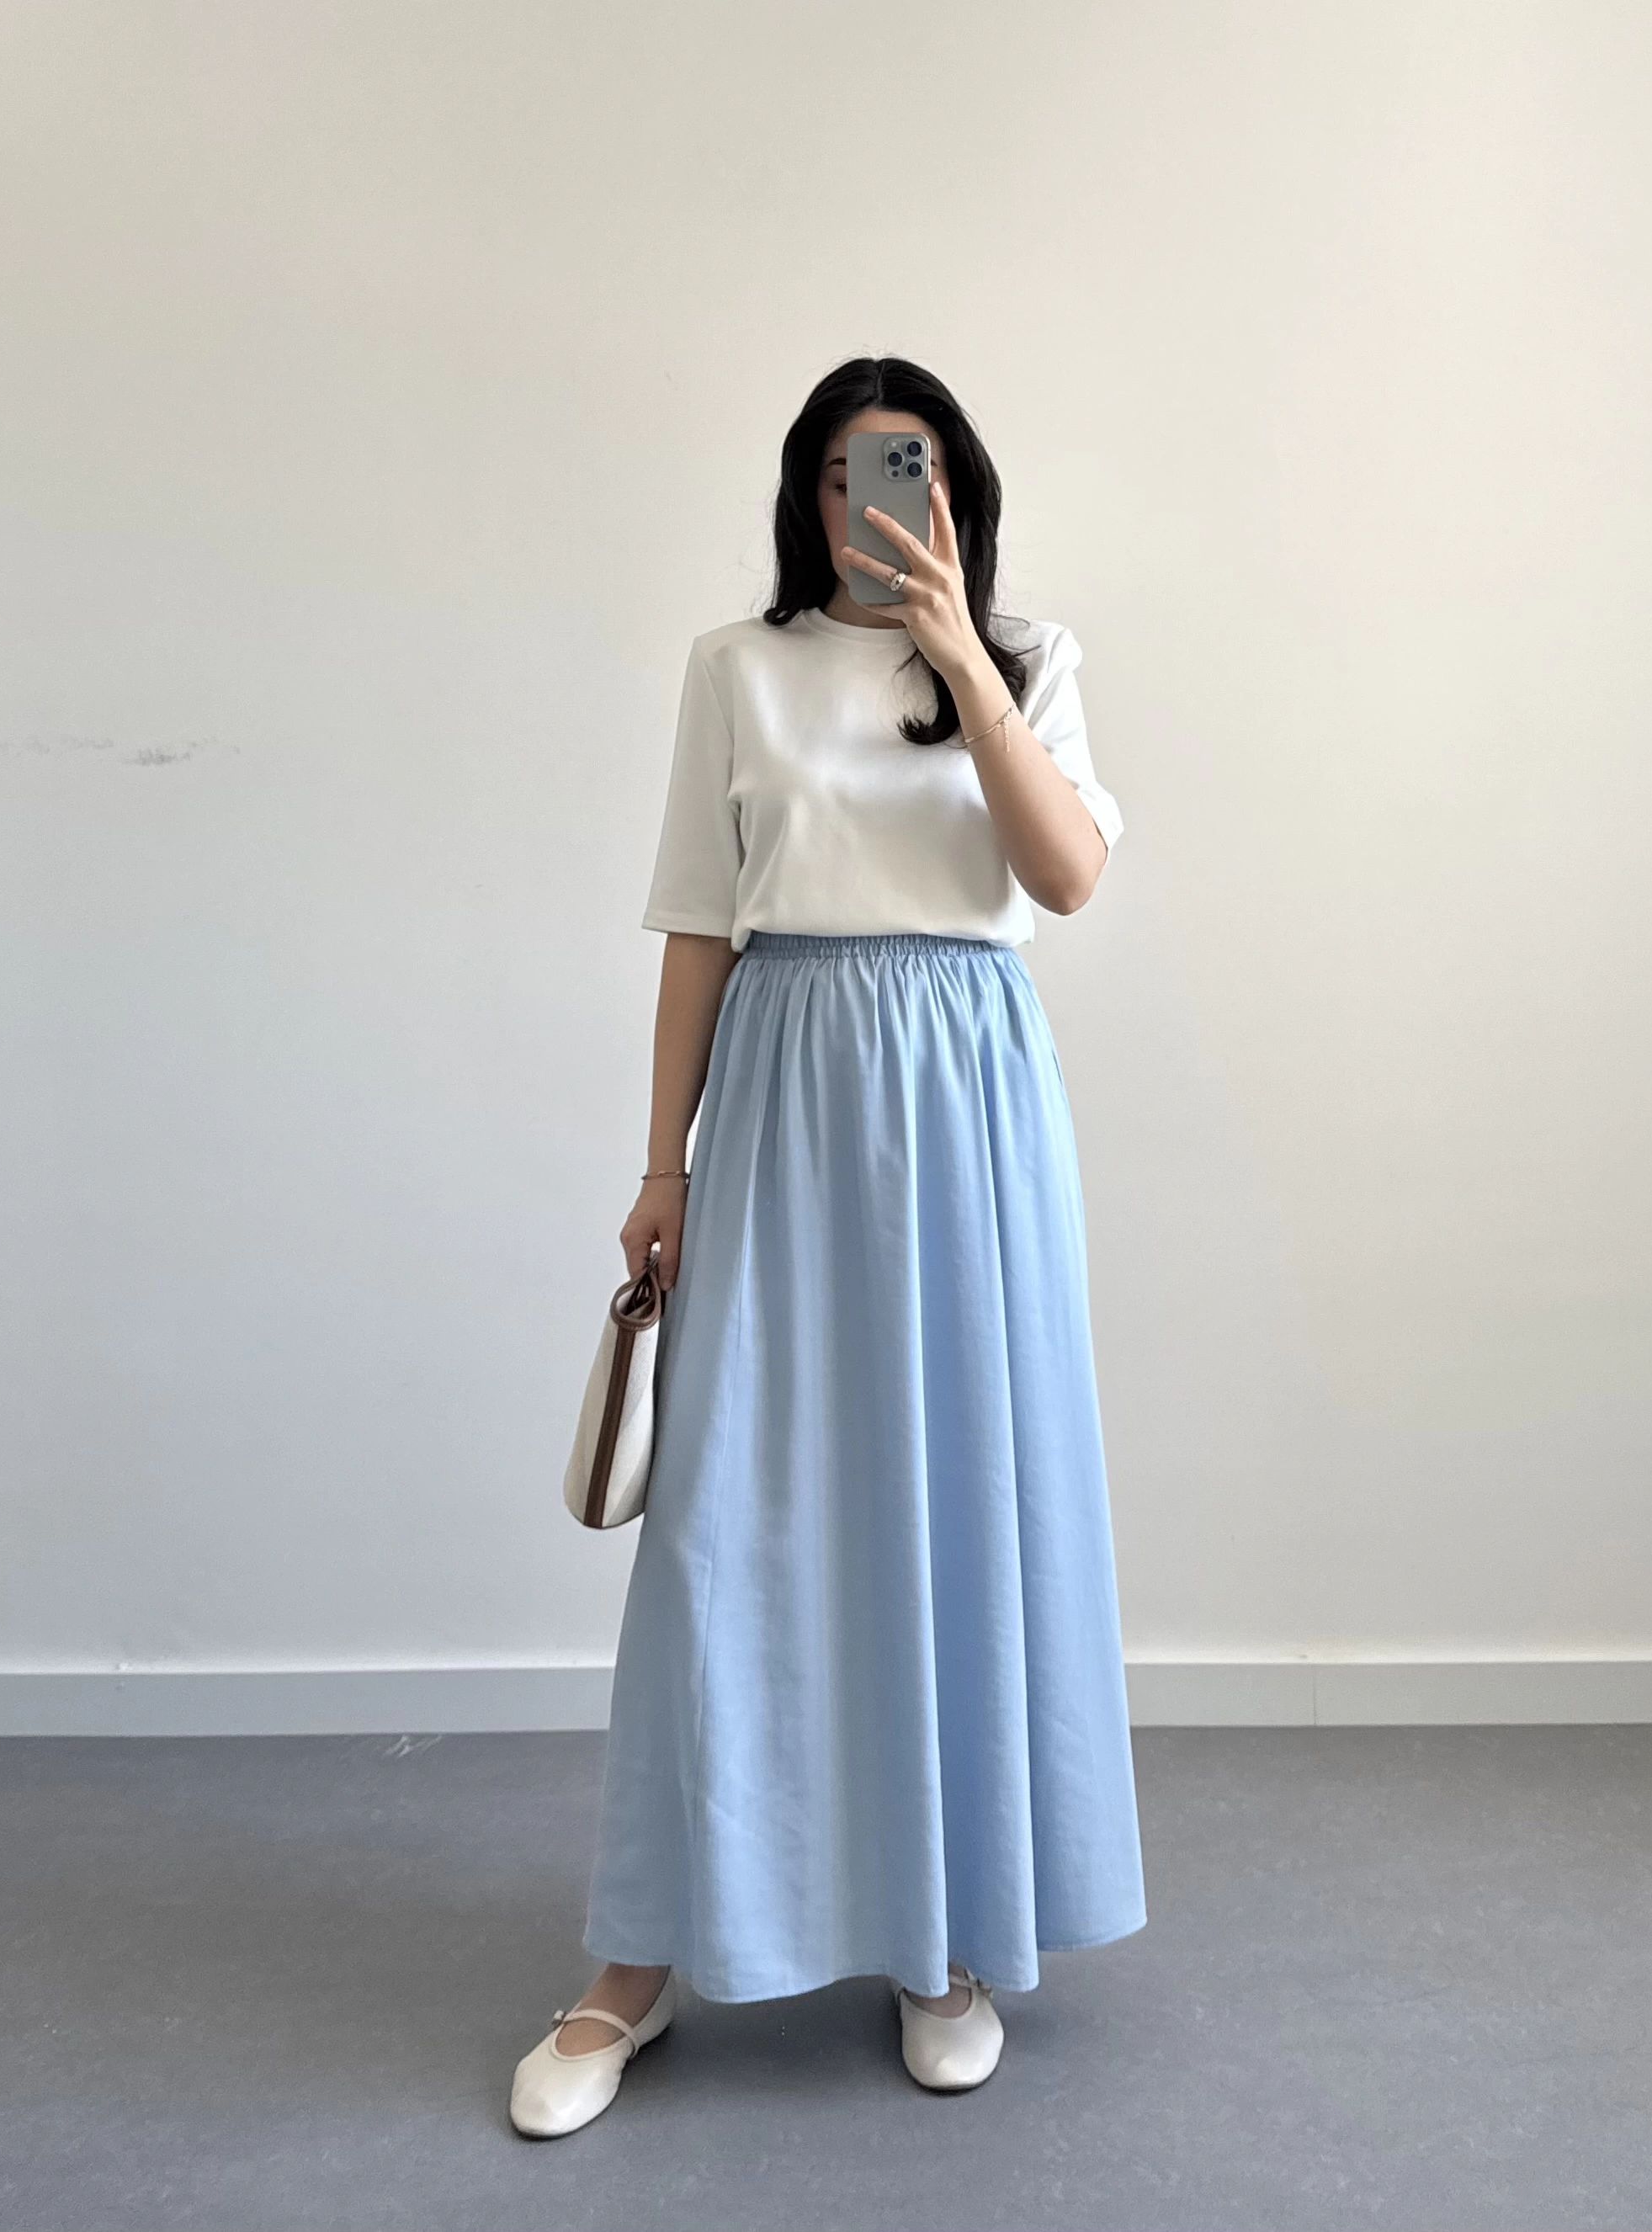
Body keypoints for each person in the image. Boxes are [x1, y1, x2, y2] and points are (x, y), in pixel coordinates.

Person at [510, 355, 1146, 2139]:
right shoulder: (737, 669)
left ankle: (941, 1942)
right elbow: (697, 927)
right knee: (727, 1519)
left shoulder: (1028, 659)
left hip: (969, 1109)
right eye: (848, 474)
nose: (877, 504)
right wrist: (662, 1166)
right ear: (808, 495)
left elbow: (1063, 878)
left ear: (958, 495)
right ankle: (633, 1960)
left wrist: (962, 661)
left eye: (911, 471)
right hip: (787, 1092)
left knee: (953, 1498)